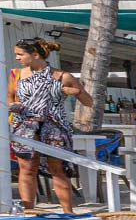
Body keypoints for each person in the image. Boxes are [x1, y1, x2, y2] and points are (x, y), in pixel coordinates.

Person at [9, 38, 90, 211]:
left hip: (54, 128)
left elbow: (88, 101)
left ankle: (68, 211)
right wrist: (14, 107)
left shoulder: (62, 76)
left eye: (20, 54)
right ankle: (29, 211)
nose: (17, 58)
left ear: (35, 55)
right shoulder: (17, 75)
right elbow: (10, 97)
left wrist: (73, 92)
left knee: (58, 169)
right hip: (25, 127)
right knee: (27, 170)